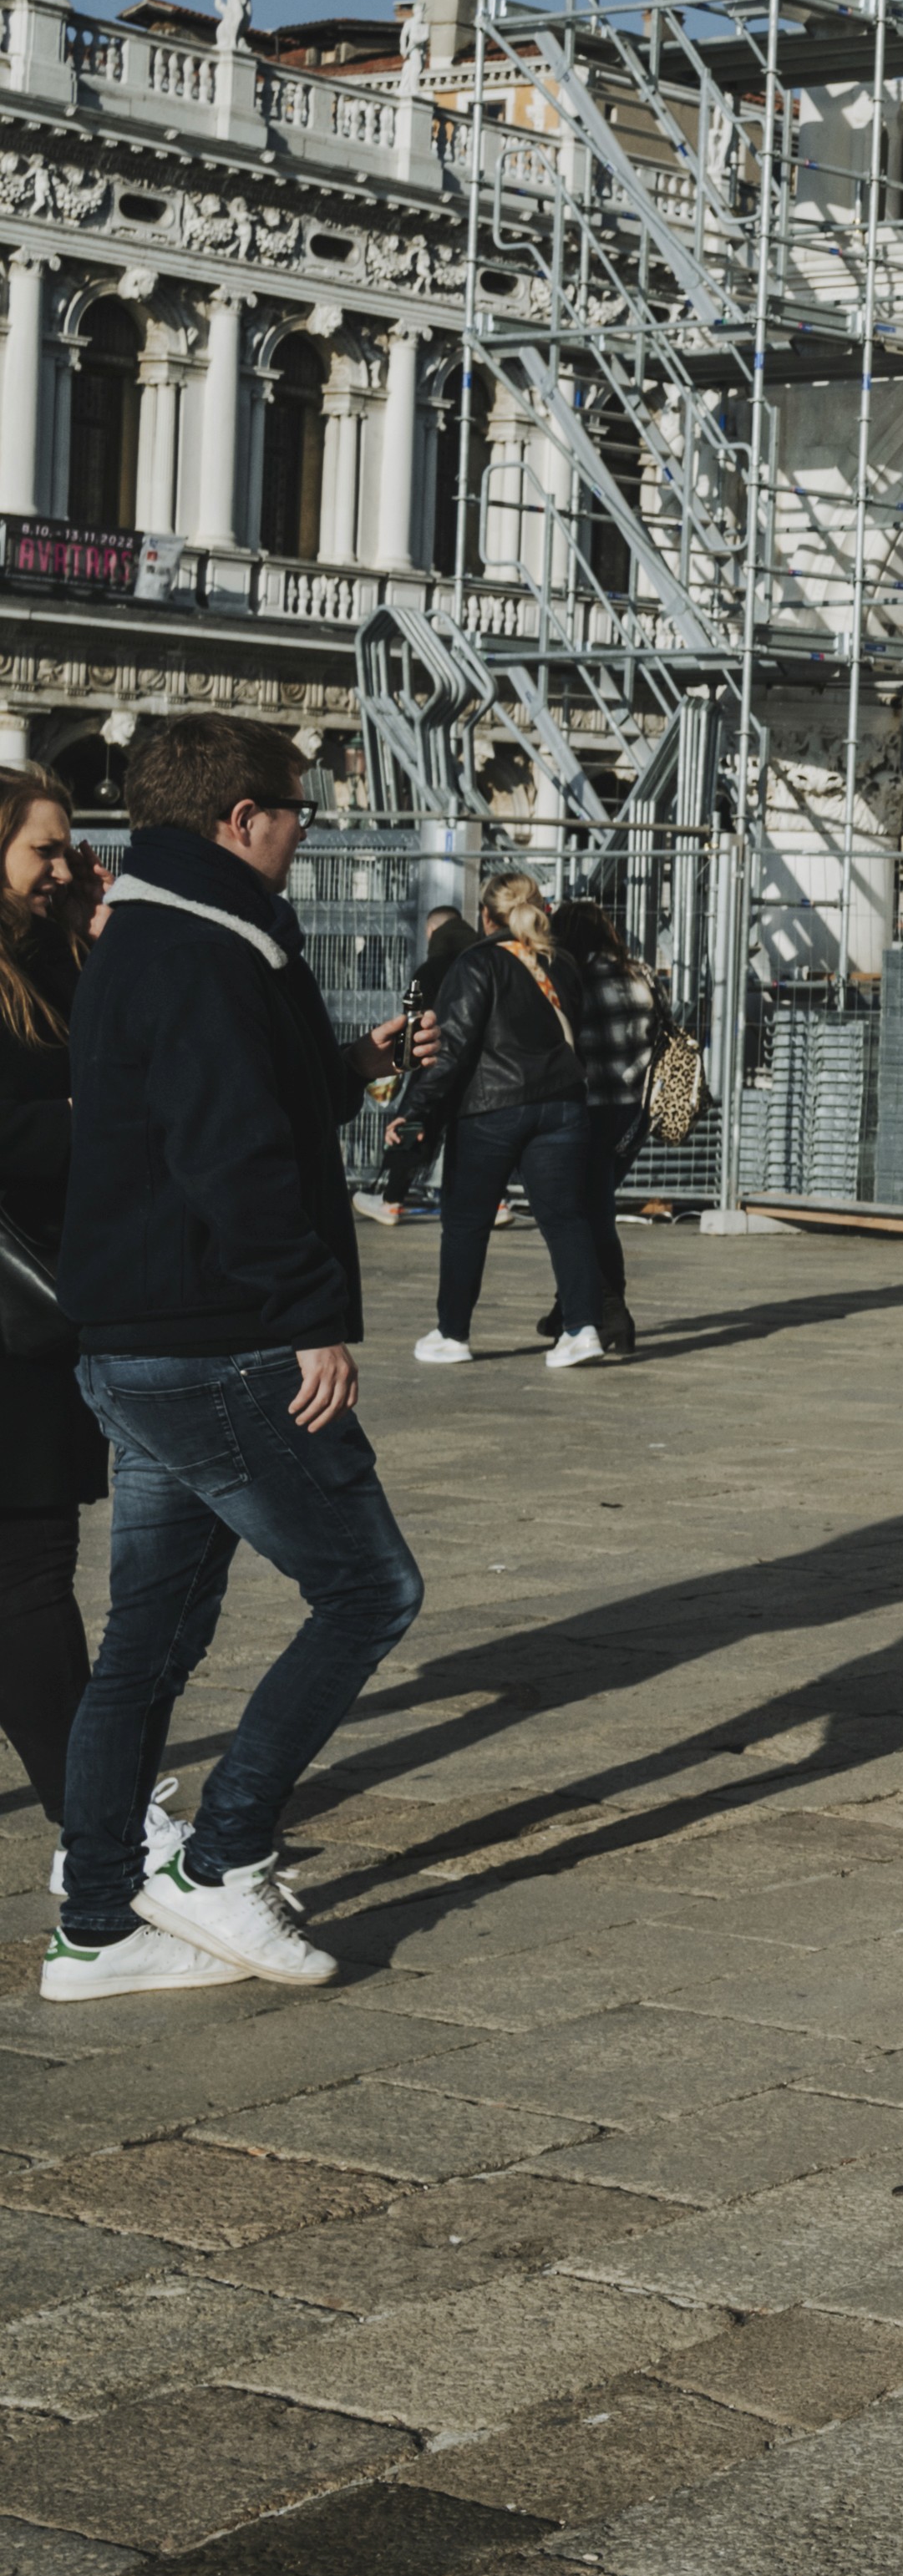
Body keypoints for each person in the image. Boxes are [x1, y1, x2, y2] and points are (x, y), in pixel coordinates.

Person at [47, 713, 435, 2000]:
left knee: (144, 1648)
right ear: (238, 819)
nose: (306, 826)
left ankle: (96, 1926)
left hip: (143, 1338)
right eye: (296, 806)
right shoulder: (212, 946)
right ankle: (220, 1863)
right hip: (222, 1339)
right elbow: (232, 1154)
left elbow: (220, 1102)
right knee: (369, 1590)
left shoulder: (150, 929)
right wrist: (309, 1311)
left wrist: (353, 1066)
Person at [0, 768, 135, 1898]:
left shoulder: (43, 961)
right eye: (46, 849)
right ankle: (93, 1825)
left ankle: (94, 1803)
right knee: (32, 1572)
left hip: (43, 1296)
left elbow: (103, 1042)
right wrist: (88, 1123)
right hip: (11, 1313)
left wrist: (95, 925)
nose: (61, 866)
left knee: (27, 1573)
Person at [395, 874, 615, 1372]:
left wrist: (414, 1114)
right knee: (565, 1219)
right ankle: (582, 1329)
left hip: (491, 1108)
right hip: (562, 1106)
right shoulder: (564, 966)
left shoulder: (477, 963)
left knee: (467, 1224)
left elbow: (449, 1050)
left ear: (486, 917)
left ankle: (453, 1333)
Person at [550, 903, 661, 1355]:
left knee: (587, 1213)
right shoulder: (641, 972)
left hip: (591, 1105)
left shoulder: (574, 977)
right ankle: (568, 1305)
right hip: (635, 1108)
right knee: (595, 1204)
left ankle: (612, 1312)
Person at [365, 903, 469, 1225]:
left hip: (433, 1061)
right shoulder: (483, 961)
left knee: (412, 1126)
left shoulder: (427, 971)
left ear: (431, 932)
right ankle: (498, 1202)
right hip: (478, 1066)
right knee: (473, 1133)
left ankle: (392, 1199)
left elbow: (413, 1019)